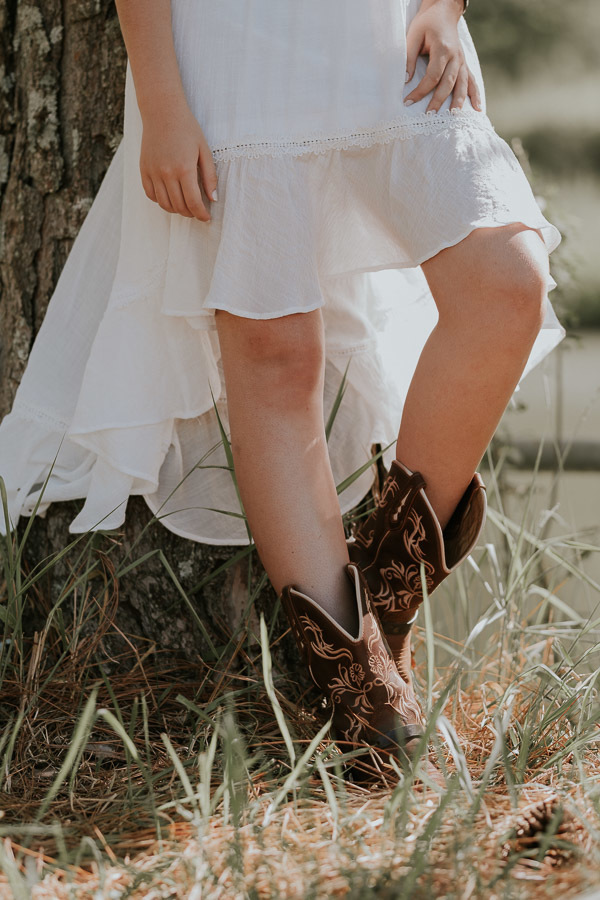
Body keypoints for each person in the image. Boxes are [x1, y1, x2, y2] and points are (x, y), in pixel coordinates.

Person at [0, 0, 565, 770]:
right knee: (275, 353)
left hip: (386, 30)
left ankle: (383, 598)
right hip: (231, 46)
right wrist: (162, 98)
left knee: (506, 283)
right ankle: (360, 685)